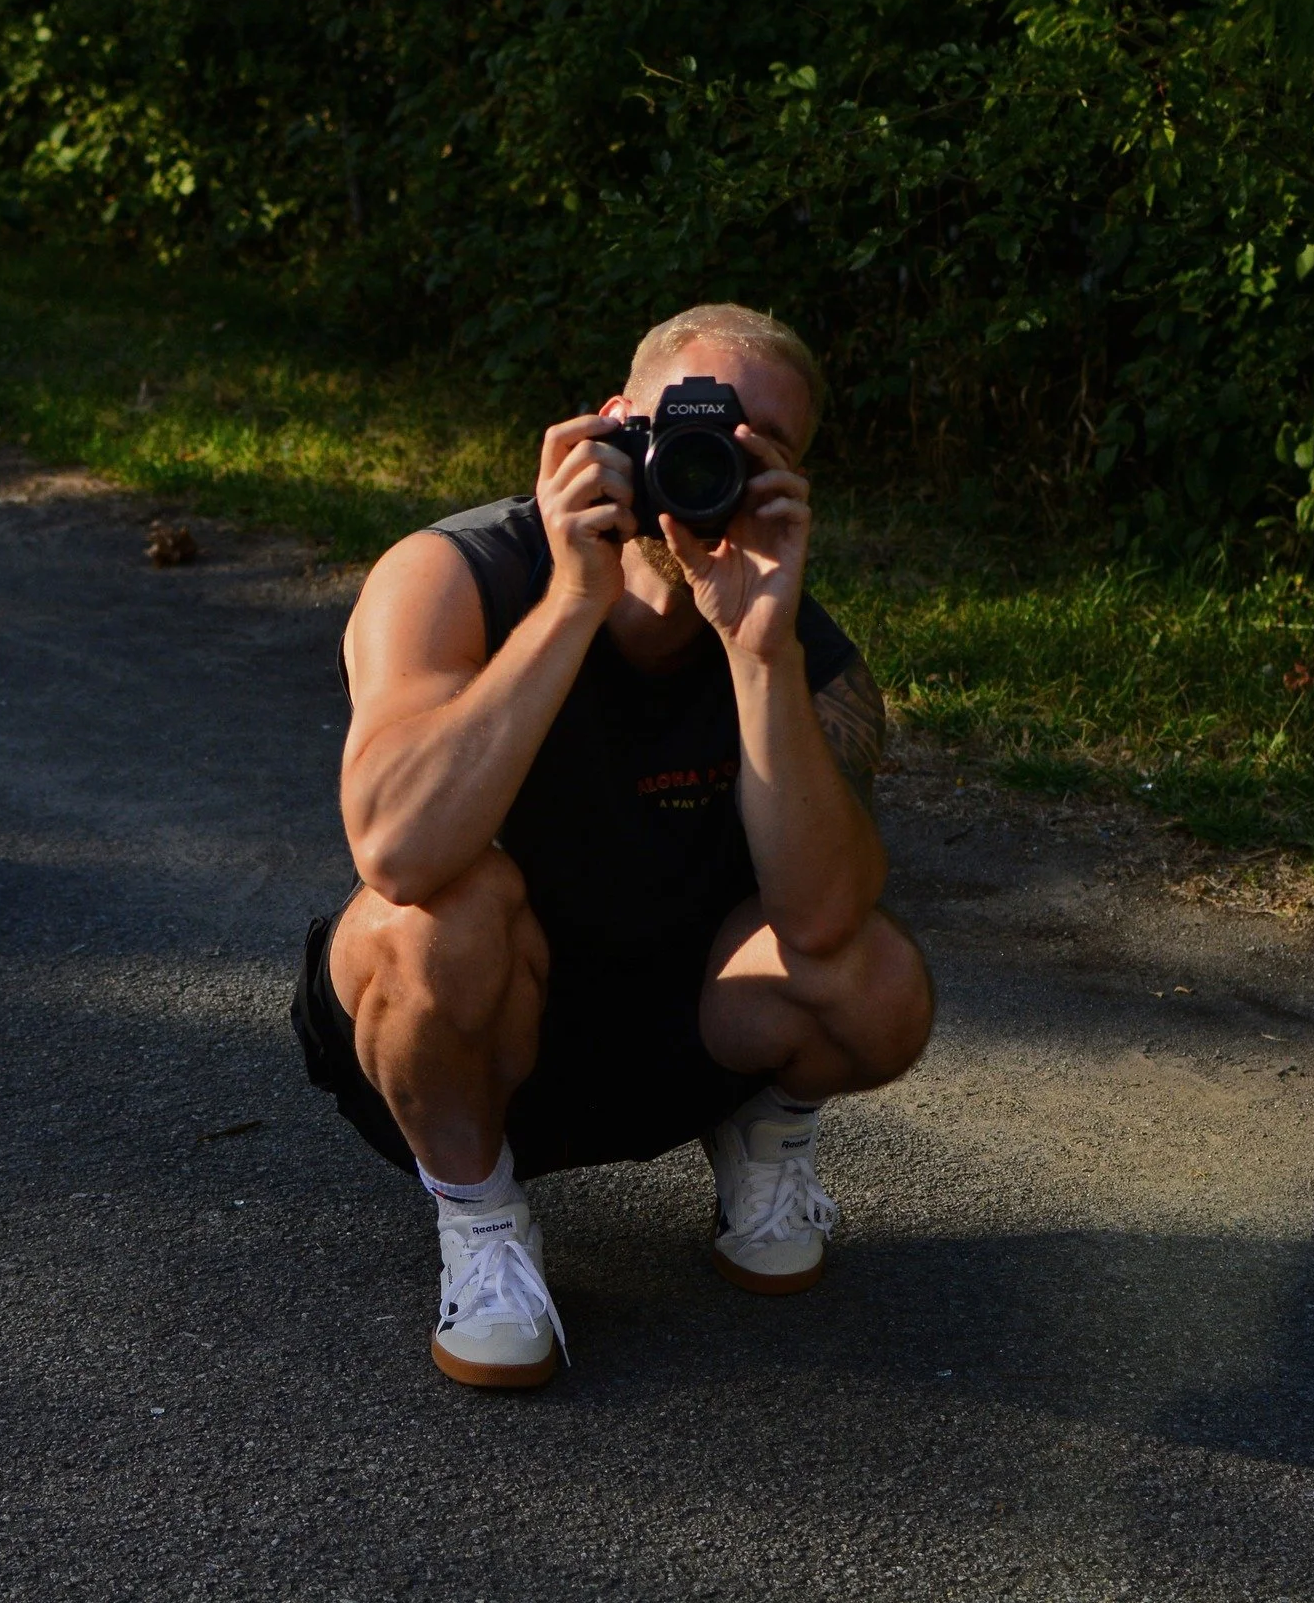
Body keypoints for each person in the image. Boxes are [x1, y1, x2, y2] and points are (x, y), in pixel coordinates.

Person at [291, 303, 933, 1388]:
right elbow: (395, 850)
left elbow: (829, 932)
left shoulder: (799, 644)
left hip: (680, 1028)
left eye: (750, 447)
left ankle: (762, 1139)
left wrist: (758, 646)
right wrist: (573, 599)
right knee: (426, 924)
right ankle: (481, 1221)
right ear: (607, 426)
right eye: (685, 426)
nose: (704, 462)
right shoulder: (453, 574)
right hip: (477, 1028)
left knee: (879, 982)